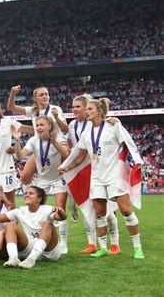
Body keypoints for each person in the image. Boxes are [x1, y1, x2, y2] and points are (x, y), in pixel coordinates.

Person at [59, 98, 144, 259]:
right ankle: (103, 247)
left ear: (99, 111)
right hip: (96, 178)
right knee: (99, 213)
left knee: (126, 210)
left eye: (90, 109)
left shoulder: (112, 127)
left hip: (115, 177)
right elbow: (80, 155)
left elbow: (128, 142)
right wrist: (67, 167)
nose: (87, 111)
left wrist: (137, 160)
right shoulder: (86, 133)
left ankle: (137, 247)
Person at [66, 94, 120, 255]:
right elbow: (75, 148)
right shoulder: (72, 125)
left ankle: (115, 243)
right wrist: (68, 165)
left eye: (79, 107)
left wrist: (116, 120)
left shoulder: (97, 123)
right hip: (82, 170)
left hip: (98, 168)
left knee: (106, 209)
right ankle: (92, 243)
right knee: (87, 207)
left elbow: (111, 130)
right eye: (73, 107)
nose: (75, 109)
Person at [0, 186, 67, 269]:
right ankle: (13, 258)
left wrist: (61, 212)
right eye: (26, 193)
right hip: (30, 247)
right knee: (10, 224)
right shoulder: (20, 210)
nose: (26, 195)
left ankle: (32, 259)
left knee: (48, 224)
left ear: (39, 199)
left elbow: (61, 217)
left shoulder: (47, 209)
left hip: (50, 251)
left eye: (31, 193)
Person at [12, 115, 70, 253]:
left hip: (58, 177)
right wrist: (17, 141)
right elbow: (20, 157)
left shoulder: (59, 137)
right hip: (42, 179)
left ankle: (63, 245)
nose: (38, 128)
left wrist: (55, 142)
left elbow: (67, 154)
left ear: (50, 126)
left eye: (42, 125)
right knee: (39, 209)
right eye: (37, 125)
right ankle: (39, 239)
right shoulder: (33, 140)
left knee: (59, 208)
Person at [7, 85, 68, 188]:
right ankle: (34, 197)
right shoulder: (33, 111)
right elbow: (11, 107)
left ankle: (69, 198)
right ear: (35, 98)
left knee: (63, 175)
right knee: (25, 178)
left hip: (55, 146)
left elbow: (65, 130)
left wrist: (57, 117)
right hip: (39, 147)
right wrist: (13, 92)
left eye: (46, 94)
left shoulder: (55, 109)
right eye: (41, 95)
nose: (45, 96)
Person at [0, 98, 32, 208]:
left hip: (6, 169)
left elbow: (28, 129)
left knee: (10, 201)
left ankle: (13, 224)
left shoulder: (8, 123)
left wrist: (44, 127)